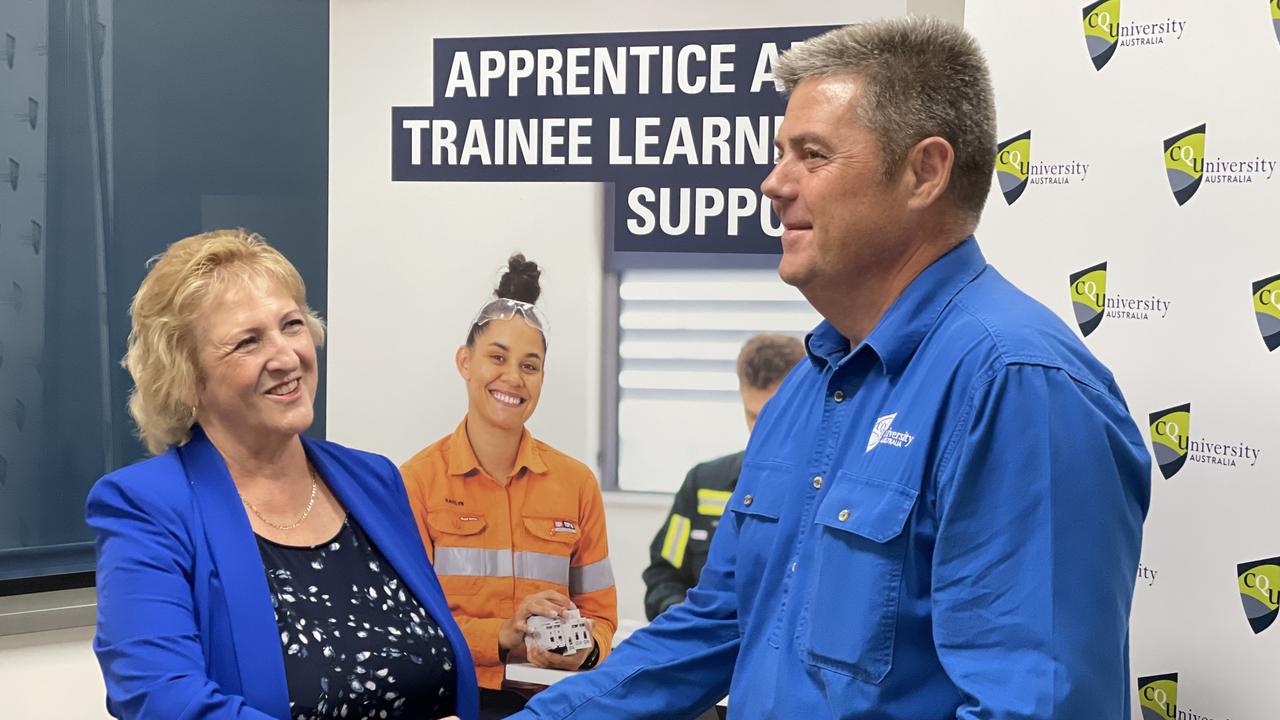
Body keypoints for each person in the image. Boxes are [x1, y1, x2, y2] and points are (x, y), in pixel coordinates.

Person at [509, 17, 1150, 719]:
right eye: (781, 152)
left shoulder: (1018, 385)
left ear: (924, 172)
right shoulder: (809, 385)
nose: (772, 183)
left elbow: (1033, 707)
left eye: (811, 155)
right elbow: (714, 627)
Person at [87, 229, 477, 720]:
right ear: (186, 379)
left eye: (291, 325)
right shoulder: (144, 508)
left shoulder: (375, 480)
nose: (288, 357)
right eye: (248, 342)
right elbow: (163, 701)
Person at [400, 255, 617, 718]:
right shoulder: (417, 481)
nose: (513, 378)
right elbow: (408, 624)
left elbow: (601, 615)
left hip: (556, 703)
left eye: (530, 366)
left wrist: (587, 652)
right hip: (454, 700)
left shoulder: (577, 483)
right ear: (465, 361)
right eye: (497, 358)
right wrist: (502, 633)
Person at [642, 334, 805, 621]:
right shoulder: (703, 483)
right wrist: (682, 615)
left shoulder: (825, 491)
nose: (761, 432)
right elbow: (663, 573)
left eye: (774, 417)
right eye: (752, 416)